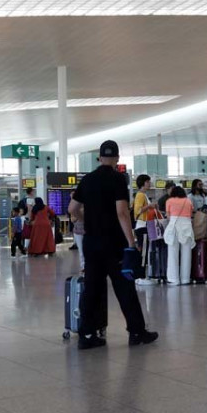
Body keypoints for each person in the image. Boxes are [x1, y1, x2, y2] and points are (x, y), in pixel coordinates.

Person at [68, 140, 158, 350]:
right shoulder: (118, 178)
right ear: (117, 158)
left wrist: (88, 219)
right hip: (114, 243)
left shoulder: (87, 179)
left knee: (92, 288)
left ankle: (86, 335)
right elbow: (122, 212)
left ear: (99, 158)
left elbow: (72, 208)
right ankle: (137, 332)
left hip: (92, 242)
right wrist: (131, 241)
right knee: (124, 287)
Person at [163, 186, 195, 286]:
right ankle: (185, 279)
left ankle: (173, 279)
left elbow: (168, 216)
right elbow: (190, 214)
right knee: (186, 253)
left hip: (174, 226)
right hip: (186, 227)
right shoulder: (188, 201)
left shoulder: (169, 201)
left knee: (172, 253)